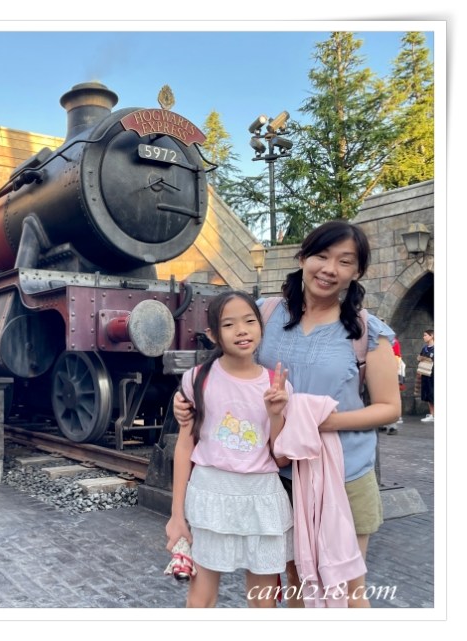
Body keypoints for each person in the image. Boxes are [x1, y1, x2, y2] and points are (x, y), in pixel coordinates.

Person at [174, 220, 400, 608]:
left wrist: (319, 421)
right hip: (280, 476)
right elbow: (230, 366)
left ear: (357, 271)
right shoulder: (264, 313)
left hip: (344, 473)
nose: (329, 269)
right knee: (297, 583)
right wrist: (188, 400)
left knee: (347, 589)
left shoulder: (367, 331)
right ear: (302, 258)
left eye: (345, 261)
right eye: (321, 256)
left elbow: (390, 408)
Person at [165, 291, 294, 608]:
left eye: (250, 321)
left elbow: (280, 456)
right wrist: (177, 515)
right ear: (213, 335)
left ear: (261, 326)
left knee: (263, 604)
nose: (242, 331)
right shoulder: (198, 379)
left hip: (262, 497)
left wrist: (276, 413)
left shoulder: (276, 384)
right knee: (200, 601)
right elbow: (184, 446)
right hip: (211, 494)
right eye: (229, 324)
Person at [418, 329, 434, 422]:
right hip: (425, 373)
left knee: (433, 393)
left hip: (433, 374)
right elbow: (420, 358)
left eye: (425, 335)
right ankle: (432, 414)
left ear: (431, 336)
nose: (424, 337)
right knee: (427, 394)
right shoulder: (424, 348)